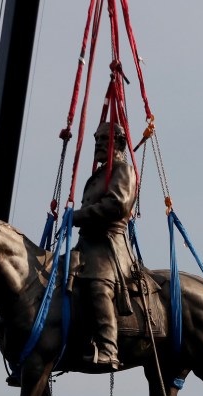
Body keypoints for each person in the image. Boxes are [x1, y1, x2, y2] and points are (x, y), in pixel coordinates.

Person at [72, 122, 137, 371]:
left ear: (119, 143)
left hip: (109, 246)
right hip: (86, 244)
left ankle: (109, 349)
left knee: (99, 286)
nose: (98, 143)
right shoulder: (98, 176)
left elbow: (116, 206)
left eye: (104, 139)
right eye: (97, 139)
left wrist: (76, 217)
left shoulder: (123, 171)